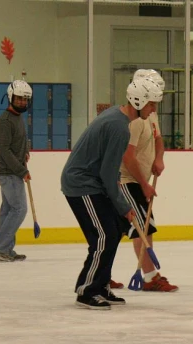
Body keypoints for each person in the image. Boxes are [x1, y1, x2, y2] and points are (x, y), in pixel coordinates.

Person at [61, 78, 160, 309]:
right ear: (139, 101)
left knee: (113, 232)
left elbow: (109, 172)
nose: (154, 109)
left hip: (93, 183)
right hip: (82, 184)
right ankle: (87, 290)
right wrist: (124, 206)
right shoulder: (119, 127)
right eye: (151, 104)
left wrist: (121, 205)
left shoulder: (118, 118)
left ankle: (101, 284)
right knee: (104, 236)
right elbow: (108, 174)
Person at [116, 69, 177, 292]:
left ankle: (103, 274)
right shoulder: (134, 121)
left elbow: (158, 140)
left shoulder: (150, 113)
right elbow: (127, 156)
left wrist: (158, 159)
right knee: (142, 227)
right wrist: (144, 184)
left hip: (140, 180)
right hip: (126, 181)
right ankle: (150, 277)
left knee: (136, 227)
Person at [0, 80, 32, 262]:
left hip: (12, 170)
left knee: (8, 210)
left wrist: (26, 152)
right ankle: (0, 246)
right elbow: (4, 150)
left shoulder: (17, 118)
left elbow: (19, 141)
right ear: (10, 97)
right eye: (19, 99)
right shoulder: (5, 121)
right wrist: (21, 170)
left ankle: (5, 249)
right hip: (8, 172)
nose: (22, 102)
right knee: (19, 209)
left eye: (25, 99)